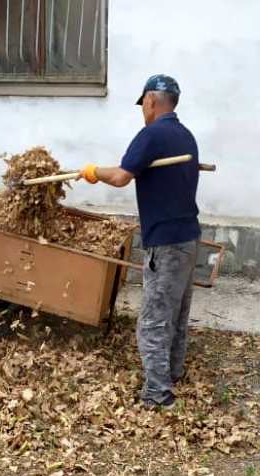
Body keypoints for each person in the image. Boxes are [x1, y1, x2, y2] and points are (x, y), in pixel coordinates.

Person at [80, 75, 200, 409]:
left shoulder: (152, 135)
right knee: (176, 313)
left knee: (153, 320)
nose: (143, 110)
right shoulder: (185, 136)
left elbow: (121, 176)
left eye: (143, 104)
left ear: (150, 100)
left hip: (166, 242)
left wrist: (93, 172)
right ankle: (173, 372)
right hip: (189, 237)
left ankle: (158, 394)